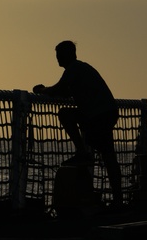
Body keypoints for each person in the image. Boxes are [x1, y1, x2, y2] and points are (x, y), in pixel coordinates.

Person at [33, 40, 122, 206]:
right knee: (108, 155)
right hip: (105, 113)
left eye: (59, 55)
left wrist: (41, 90)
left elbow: (58, 89)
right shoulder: (81, 68)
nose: (57, 58)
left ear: (67, 55)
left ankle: (82, 152)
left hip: (99, 115)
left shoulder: (73, 69)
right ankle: (118, 198)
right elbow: (66, 92)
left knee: (65, 114)